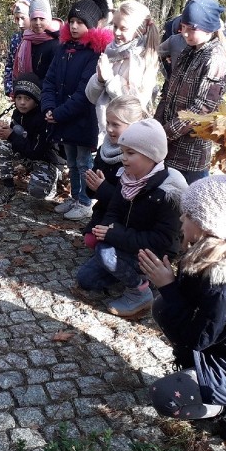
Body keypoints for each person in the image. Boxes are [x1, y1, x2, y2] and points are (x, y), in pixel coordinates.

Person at [143, 160, 226, 443]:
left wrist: (168, 286)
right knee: (162, 306)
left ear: (206, 225)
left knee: (166, 397)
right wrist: (170, 288)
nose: (181, 221)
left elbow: (196, 337)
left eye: (187, 216)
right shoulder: (210, 254)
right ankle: (198, 374)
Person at [76, 118, 186, 317]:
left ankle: (140, 291)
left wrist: (114, 235)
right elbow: (113, 212)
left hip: (152, 254)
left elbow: (161, 241)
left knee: (103, 251)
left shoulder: (168, 192)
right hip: (126, 242)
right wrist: (107, 229)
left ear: (150, 155)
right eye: (123, 152)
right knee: (86, 279)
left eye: (130, 153)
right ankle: (133, 273)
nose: (123, 158)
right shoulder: (127, 178)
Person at [41, 0, 113, 221]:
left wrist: (59, 114)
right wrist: (48, 108)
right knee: (71, 161)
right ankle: (74, 196)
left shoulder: (94, 54)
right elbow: (50, 81)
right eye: (71, 21)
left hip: (83, 120)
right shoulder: (63, 49)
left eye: (80, 22)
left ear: (91, 25)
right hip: (62, 118)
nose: (73, 26)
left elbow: (84, 93)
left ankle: (85, 200)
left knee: (83, 162)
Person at [154, 0, 226, 183]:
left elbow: (202, 109)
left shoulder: (214, 59)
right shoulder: (188, 51)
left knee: (186, 206)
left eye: (192, 29)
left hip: (190, 155)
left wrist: (165, 133)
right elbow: (169, 92)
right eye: (183, 27)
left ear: (209, 28)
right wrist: (156, 126)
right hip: (167, 148)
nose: (185, 33)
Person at [85, 0, 161, 142]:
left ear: (141, 29)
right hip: (106, 132)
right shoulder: (111, 51)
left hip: (129, 137)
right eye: (114, 26)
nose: (116, 32)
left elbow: (135, 105)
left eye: (123, 28)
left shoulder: (142, 60)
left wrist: (109, 80)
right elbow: (92, 96)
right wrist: (99, 79)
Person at [82, 95, 147, 249]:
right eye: (108, 123)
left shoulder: (138, 157)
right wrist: (91, 187)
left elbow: (130, 202)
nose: (109, 129)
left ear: (133, 126)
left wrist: (101, 188)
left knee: (99, 245)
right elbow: (93, 190)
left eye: (116, 125)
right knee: (90, 239)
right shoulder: (104, 149)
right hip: (104, 209)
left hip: (126, 218)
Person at [0, 72, 61, 205]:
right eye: (19, 97)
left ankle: (54, 177)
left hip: (45, 159)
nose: (22, 102)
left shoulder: (43, 118)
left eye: (27, 98)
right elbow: (15, 139)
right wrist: (6, 131)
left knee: (37, 192)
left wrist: (11, 135)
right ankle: (8, 188)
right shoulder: (17, 113)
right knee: (4, 145)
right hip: (28, 154)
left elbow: (37, 151)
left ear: (36, 99)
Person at [10, 0, 61, 90]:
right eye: (34, 19)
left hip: (45, 96)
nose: (37, 23)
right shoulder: (26, 39)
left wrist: (32, 88)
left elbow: (54, 77)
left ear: (48, 18)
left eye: (42, 19)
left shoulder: (56, 43)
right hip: (25, 96)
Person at [2, 0, 31, 96]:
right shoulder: (16, 39)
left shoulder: (44, 39)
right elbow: (10, 64)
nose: (20, 23)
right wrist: (9, 88)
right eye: (17, 19)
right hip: (18, 91)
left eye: (23, 18)